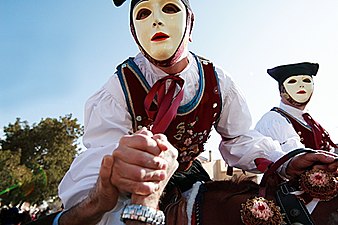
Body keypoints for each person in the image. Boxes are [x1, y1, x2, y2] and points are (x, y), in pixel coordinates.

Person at [54, 1, 338, 225]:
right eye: (143, 13)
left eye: (169, 9)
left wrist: (285, 160)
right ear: (132, 30)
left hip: (192, 178)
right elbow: (101, 156)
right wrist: (123, 176)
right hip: (132, 192)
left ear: (190, 21)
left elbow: (238, 139)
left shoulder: (216, 79)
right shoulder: (121, 85)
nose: (156, 20)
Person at [255, 62, 337, 153]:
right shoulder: (273, 120)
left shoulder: (313, 122)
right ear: (281, 90)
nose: (301, 85)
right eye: (292, 81)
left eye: (306, 80)